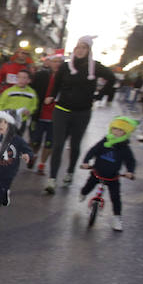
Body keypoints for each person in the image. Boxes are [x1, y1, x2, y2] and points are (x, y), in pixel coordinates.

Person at [44, 35, 115, 194]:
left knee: (75, 145)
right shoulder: (66, 66)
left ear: (89, 50)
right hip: (62, 110)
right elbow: (57, 83)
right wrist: (52, 96)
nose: (80, 50)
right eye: (78, 47)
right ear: (74, 49)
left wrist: (99, 96)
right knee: (58, 145)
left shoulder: (95, 66)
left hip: (82, 112)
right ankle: (52, 179)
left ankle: (70, 172)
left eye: (84, 48)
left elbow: (112, 78)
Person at [78, 116, 138, 231]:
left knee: (116, 198)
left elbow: (130, 161)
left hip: (113, 177)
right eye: (114, 129)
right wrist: (86, 162)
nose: (117, 132)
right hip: (97, 172)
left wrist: (130, 171)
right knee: (87, 187)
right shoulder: (104, 142)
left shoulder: (125, 148)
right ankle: (83, 193)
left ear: (126, 133)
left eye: (120, 130)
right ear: (111, 129)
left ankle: (117, 218)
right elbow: (92, 151)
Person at [27, 49, 63, 174]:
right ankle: (33, 156)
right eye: (55, 61)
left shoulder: (66, 78)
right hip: (39, 114)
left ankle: (42, 164)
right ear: (50, 62)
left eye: (60, 62)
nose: (57, 64)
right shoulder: (41, 75)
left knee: (49, 143)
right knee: (35, 141)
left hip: (56, 117)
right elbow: (31, 91)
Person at [0, 68, 38, 134]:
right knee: (6, 138)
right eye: (19, 77)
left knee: (18, 138)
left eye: (24, 78)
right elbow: (0, 105)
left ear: (29, 80)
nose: (21, 80)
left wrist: (29, 111)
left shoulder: (32, 93)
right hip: (8, 120)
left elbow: (33, 105)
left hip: (22, 121)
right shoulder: (8, 91)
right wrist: (1, 117)